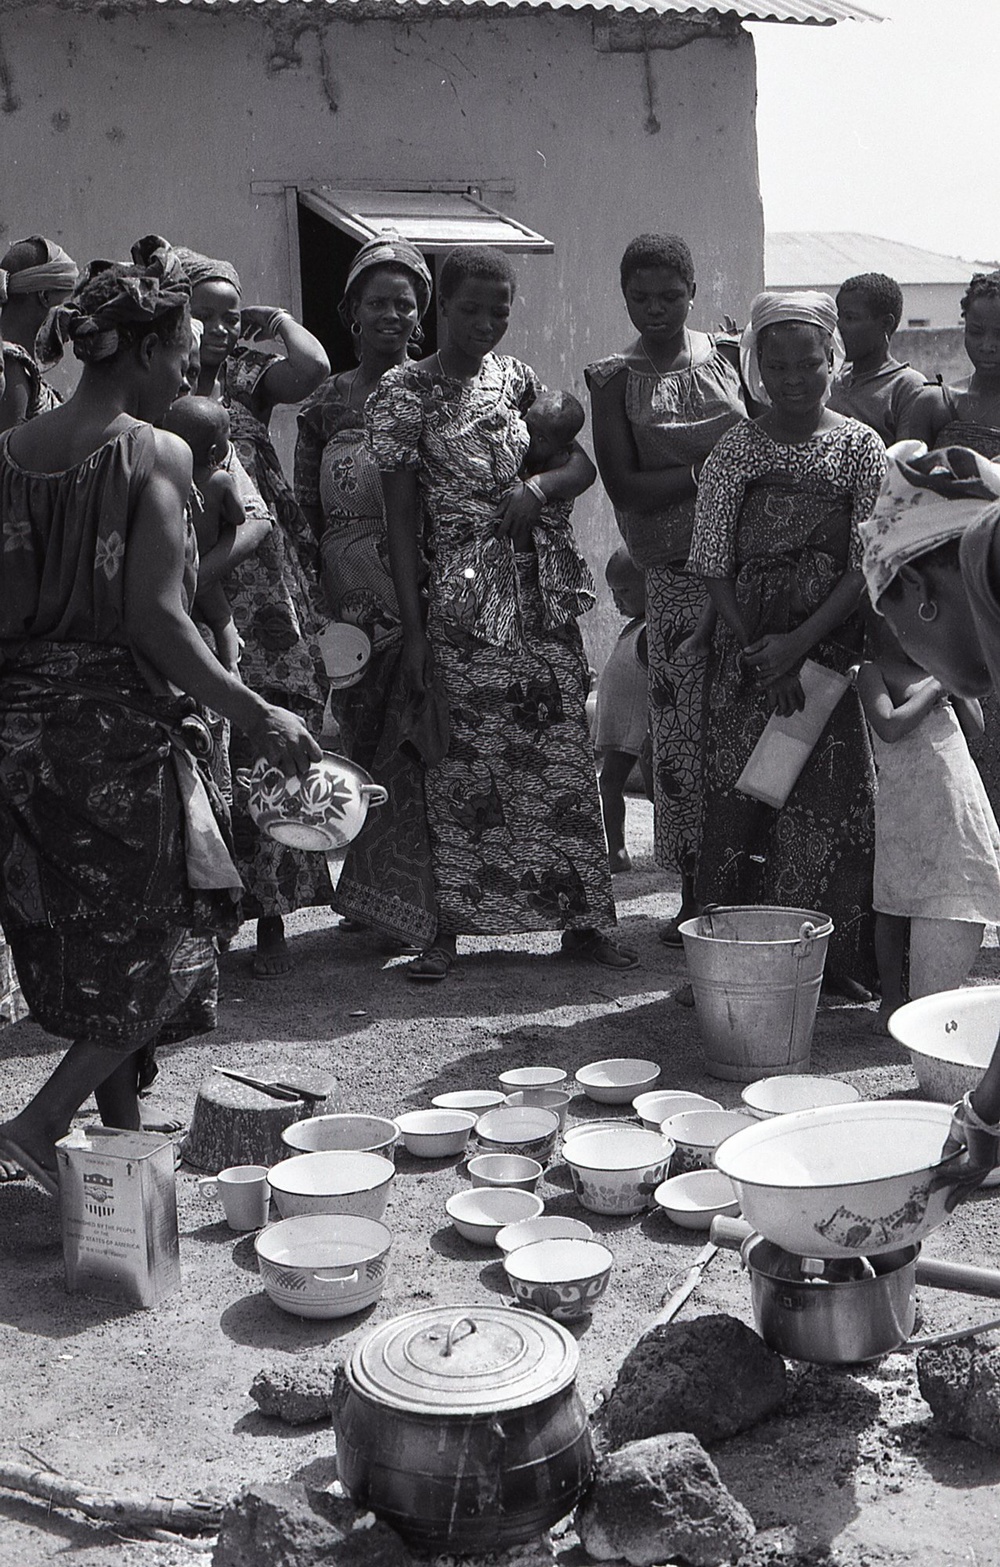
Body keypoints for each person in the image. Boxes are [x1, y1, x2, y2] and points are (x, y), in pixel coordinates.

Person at [0, 237, 319, 1195]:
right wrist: (258, 711)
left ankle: (120, 1144)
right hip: (117, 731)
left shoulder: (9, 453)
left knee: (82, 935)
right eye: (182, 347)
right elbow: (156, 617)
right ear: (141, 352)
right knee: (173, 933)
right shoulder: (156, 450)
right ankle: (38, 1123)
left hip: (18, 733)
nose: (190, 366)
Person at [369, 244, 630, 981]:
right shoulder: (402, 393)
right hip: (459, 597)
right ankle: (448, 930)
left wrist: (537, 491)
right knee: (460, 763)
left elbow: (578, 464)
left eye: (500, 310)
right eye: (471, 308)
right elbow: (397, 521)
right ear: (438, 309)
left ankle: (580, 923)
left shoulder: (516, 381)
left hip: (539, 595)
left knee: (559, 756)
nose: (486, 322)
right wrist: (415, 631)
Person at [689, 291, 887, 997]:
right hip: (746, 662)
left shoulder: (862, 448)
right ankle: (729, 963)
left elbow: (868, 561)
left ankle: (831, 968)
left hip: (828, 659)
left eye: (810, 362)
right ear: (755, 367)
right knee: (741, 801)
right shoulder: (735, 448)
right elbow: (712, 560)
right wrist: (759, 651)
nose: (795, 378)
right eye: (777, 364)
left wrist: (797, 644)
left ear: (833, 359)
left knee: (829, 805)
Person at [586, 235, 746, 944]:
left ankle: (755, 887)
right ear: (624, 297)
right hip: (676, 582)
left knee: (746, 729)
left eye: (669, 296)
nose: (656, 309)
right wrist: (714, 468)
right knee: (680, 741)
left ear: (692, 290)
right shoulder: (612, 379)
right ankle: (692, 891)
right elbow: (625, 485)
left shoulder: (734, 357)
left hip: (749, 574)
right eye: (640, 297)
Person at [176, 247, 331, 978]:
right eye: (201, 315)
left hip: (269, 587)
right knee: (211, 744)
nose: (215, 329)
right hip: (195, 577)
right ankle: (213, 917)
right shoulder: (161, 390)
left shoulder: (245, 381)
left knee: (277, 730)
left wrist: (270, 320)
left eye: (226, 317)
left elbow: (314, 368)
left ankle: (273, 912)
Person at [858, 439, 1000, 1189]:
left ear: (920, 585)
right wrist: (988, 1110)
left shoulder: (986, 554)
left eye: (899, 624)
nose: (918, 655)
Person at [294, 232, 433, 767]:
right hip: (346, 597)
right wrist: (314, 601)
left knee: (419, 741)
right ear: (353, 309)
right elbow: (307, 510)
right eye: (377, 302)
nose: (391, 314)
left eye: (405, 303)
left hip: (422, 588)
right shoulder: (326, 404)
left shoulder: (434, 391)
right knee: (363, 746)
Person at [858, 611, 1000, 1033]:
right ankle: (891, 1000)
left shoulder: (938, 669)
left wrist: (948, 679)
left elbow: (976, 728)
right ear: (875, 628)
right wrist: (932, 690)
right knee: (893, 902)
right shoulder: (872, 672)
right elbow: (888, 726)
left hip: (951, 804)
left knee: (943, 891)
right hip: (904, 805)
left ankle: (930, 995)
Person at [162, 395, 244, 673]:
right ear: (212, 453)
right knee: (222, 619)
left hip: (174, 569)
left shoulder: (168, 476)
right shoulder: (219, 480)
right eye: (228, 435)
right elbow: (239, 516)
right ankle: (231, 667)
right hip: (205, 566)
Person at [594, 547, 650, 875]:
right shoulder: (632, 627)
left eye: (625, 591)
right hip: (622, 727)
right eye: (613, 592)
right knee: (608, 784)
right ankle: (615, 850)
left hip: (642, 727)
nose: (617, 600)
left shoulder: (650, 631)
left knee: (657, 792)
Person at [827, 272, 927, 446]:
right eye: (839, 317)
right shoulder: (833, 380)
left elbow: (903, 462)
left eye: (851, 318)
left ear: (885, 324)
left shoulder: (907, 387)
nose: (840, 326)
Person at [0, 234, 79, 431]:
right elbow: (6, 457)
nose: (70, 315)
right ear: (44, 296)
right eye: (63, 302)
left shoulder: (21, 366)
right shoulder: (13, 368)